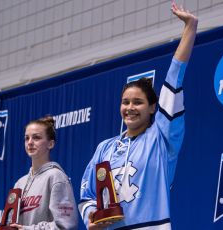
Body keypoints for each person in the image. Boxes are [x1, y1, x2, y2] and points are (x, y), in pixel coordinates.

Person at [78, 1, 198, 229]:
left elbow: (174, 78)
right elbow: (87, 194)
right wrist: (92, 217)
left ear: (153, 107)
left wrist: (190, 28)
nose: (130, 107)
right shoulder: (105, 148)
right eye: (125, 102)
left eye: (138, 102)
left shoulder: (161, 138)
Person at [8, 116, 78, 229]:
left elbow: (66, 225)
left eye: (36, 138)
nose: (30, 142)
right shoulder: (19, 183)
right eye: (26, 138)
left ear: (50, 144)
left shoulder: (56, 177)